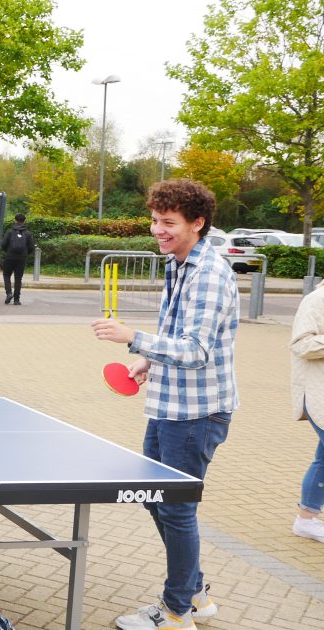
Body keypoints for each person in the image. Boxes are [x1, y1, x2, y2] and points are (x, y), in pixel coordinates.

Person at [91, 179, 238, 630]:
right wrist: (145, 360)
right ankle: (195, 594)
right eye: (155, 220)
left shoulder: (210, 274)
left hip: (195, 413)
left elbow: (195, 349)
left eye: (168, 222)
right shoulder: (178, 265)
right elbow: (176, 338)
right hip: (167, 404)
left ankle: (177, 612)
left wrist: (134, 336)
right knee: (155, 500)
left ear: (198, 223)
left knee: (176, 508)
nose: (157, 229)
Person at [291, 277, 324, 542]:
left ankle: (306, 519)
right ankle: (306, 519)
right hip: (317, 392)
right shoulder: (316, 300)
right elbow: (301, 344)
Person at [0, 213, 35, 305]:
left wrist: (7, 252)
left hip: (10, 256)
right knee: (18, 278)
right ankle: (16, 299)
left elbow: (3, 244)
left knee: (6, 275)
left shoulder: (10, 231)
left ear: (15, 220)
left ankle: (8, 293)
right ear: (24, 221)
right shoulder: (28, 233)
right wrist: (25, 254)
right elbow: (31, 247)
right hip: (21, 258)